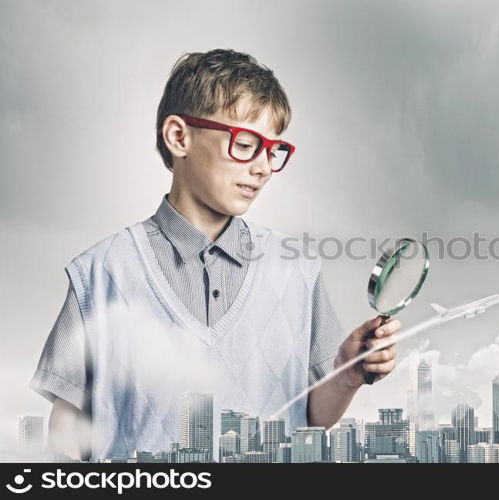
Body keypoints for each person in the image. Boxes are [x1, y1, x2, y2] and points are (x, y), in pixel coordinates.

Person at [29, 49, 400, 462]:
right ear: (179, 137)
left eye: (273, 151)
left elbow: (310, 418)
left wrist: (347, 375)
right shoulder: (100, 274)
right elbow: (65, 435)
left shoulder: (298, 269)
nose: (262, 167)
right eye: (245, 143)